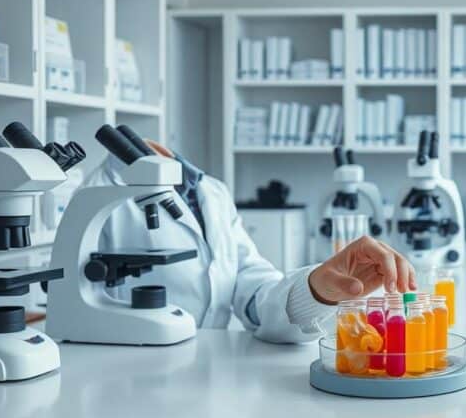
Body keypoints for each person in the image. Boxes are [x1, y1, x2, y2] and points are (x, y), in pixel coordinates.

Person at [78, 140, 416, 343]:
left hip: (217, 381)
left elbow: (253, 289)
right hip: (132, 384)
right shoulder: (95, 196)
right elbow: (81, 313)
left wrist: (315, 291)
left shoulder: (210, 190)